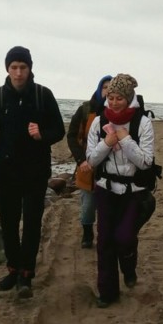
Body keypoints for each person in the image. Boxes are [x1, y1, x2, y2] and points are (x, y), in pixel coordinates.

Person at [0, 46, 65, 299]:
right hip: (7, 171)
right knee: (9, 224)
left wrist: (42, 135)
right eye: (13, 67)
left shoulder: (43, 95)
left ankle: (26, 274)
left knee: (32, 223)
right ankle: (13, 270)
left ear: (30, 68)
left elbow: (59, 130)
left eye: (23, 67)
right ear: (7, 69)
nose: (18, 73)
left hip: (36, 171)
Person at [85, 73, 155, 308]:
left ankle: (129, 267)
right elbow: (91, 160)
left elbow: (146, 162)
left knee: (124, 238)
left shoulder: (142, 122)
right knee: (105, 242)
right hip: (105, 189)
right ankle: (107, 292)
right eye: (111, 97)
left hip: (134, 191)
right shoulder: (98, 122)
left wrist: (125, 140)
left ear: (129, 98)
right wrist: (107, 143)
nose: (114, 102)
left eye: (119, 98)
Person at [66, 75, 113, 248]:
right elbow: (72, 136)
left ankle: (106, 236)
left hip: (112, 168)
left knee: (109, 207)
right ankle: (87, 234)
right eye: (105, 87)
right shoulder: (86, 109)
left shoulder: (119, 111)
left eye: (112, 87)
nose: (108, 90)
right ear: (100, 89)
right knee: (87, 206)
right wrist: (81, 160)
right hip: (88, 167)